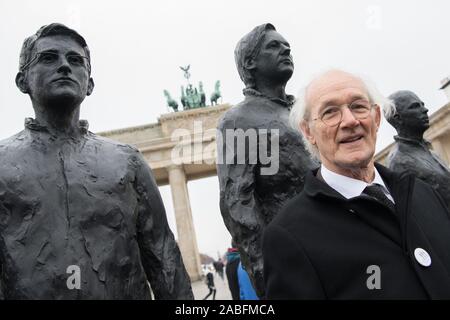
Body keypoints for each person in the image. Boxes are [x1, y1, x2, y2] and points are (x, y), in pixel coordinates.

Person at [0, 23, 193, 299]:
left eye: (75, 60)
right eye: (48, 58)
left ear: (89, 84)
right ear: (22, 81)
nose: (64, 66)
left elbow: (164, 259)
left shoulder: (128, 162)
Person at [263, 69, 450, 299]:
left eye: (359, 106)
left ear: (377, 118)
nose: (350, 121)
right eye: (330, 112)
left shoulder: (424, 194)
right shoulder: (288, 237)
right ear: (308, 131)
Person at [217, 23, 318, 298]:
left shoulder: (303, 112)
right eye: (273, 46)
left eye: (287, 46)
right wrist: (268, 275)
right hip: (294, 259)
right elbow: (237, 202)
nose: (285, 49)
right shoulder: (239, 120)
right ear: (250, 62)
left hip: (335, 247)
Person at [386, 90, 450, 209]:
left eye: (423, 104)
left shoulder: (431, 153)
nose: (425, 110)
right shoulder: (399, 161)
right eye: (415, 106)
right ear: (398, 118)